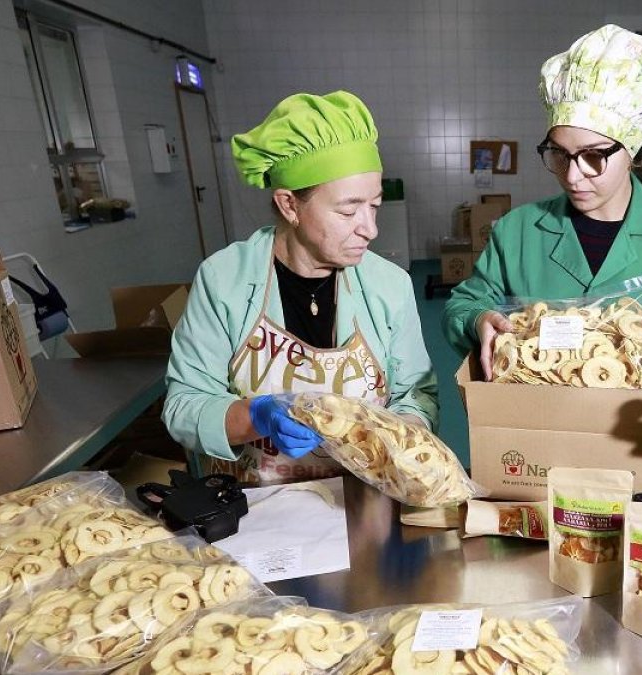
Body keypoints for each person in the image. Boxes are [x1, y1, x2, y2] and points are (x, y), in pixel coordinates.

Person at [443, 25, 642, 381]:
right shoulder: (517, 230)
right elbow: (463, 304)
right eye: (559, 154)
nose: (572, 176)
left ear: (633, 150)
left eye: (593, 156)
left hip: (639, 429)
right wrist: (478, 320)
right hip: (533, 424)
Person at [163, 91, 438, 484]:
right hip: (257, 503)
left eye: (374, 206)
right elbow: (184, 405)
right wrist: (255, 416)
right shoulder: (224, 280)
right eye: (348, 210)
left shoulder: (389, 285)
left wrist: (399, 436)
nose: (370, 229)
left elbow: (418, 393)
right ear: (290, 205)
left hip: (367, 494)